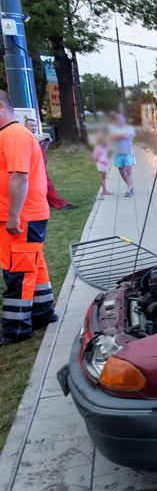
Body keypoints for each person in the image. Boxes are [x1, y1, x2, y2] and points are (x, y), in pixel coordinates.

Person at [0, 91, 57, 346]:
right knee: (32, 264)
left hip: (20, 217)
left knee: (18, 270)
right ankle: (43, 311)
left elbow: (19, 176)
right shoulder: (12, 134)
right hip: (24, 215)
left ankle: (17, 328)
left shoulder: (13, 135)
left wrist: (13, 215)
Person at [24, 118, 77, 210]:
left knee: (43, 185)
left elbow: (42, 150)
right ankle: (59, 204)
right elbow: (28, 151)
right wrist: (38, 141)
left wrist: (46, 143)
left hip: (41, 166)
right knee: (47, 185)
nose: (34, 127)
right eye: (31, 125)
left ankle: (49, 201)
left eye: (35, 125)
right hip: (35, 167)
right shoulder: (26, 138)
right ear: (25, 127)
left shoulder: (34, 137)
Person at [108, 113, 135, 197]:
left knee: (128, 170)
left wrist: (116, 136)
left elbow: (126, 135)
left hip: (127, 153)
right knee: (122, 171)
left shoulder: (129, 128)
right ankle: (130, 186)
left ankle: (128, 190)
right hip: (117, 153)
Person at [93, 131, 113, 197]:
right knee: (102, 176)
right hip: (101, 163)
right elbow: (95, 156)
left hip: (105, 163)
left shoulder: (105, 146)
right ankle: (105, 190)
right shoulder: (97, 147)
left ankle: (105, 190)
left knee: (104, 176)